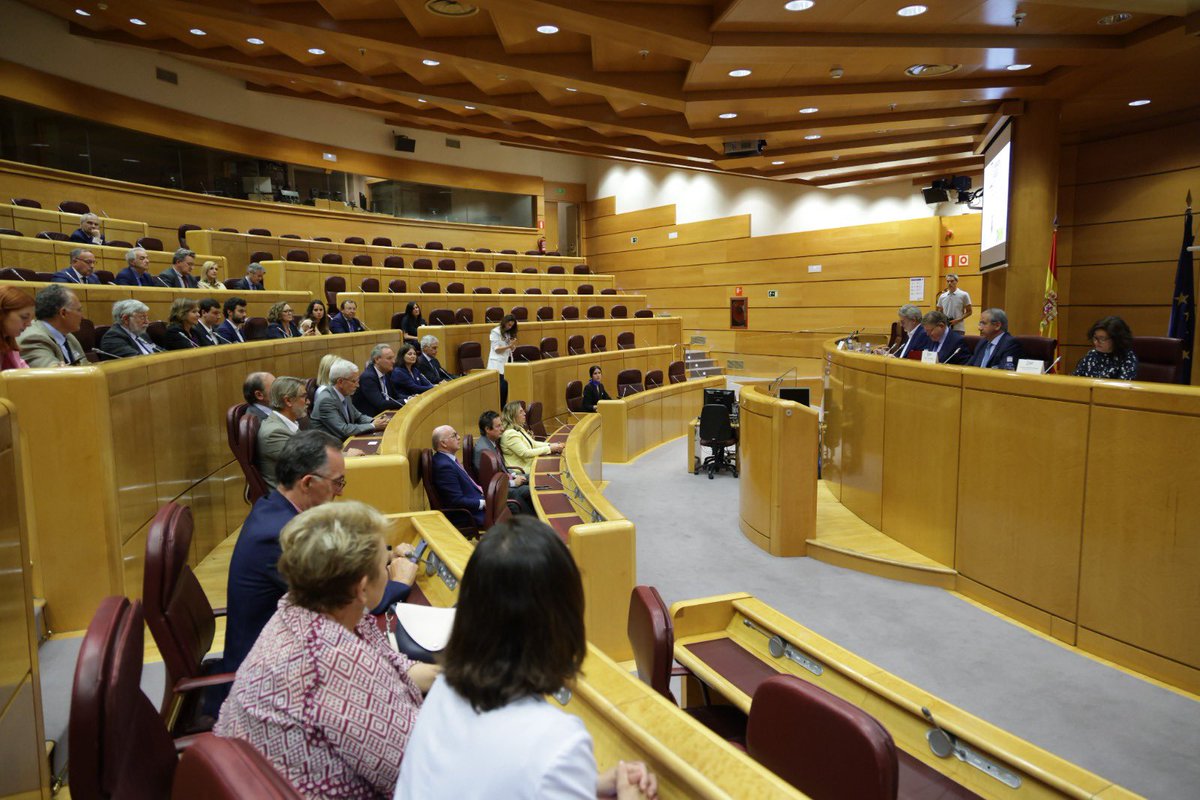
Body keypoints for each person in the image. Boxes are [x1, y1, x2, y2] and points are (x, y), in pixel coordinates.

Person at [394, 516, 659, 800]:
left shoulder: (444, 691)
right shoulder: (559, 743)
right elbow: (534, 768)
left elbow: (493, 780)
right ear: (563, 621)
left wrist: (586, 782)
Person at [218, 500, 432, 798]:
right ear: (361, 588)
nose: (389, 566)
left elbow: (394, 665)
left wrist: (454, 673)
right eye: (385, 563)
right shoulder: (334, 661)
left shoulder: (305, 607)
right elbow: (420, 772)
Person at [224, 431, 418, 676]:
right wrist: (400, 581)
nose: (340, 492)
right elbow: (348, 599)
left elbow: (334, 562)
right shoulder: (279, 535)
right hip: (268, 671)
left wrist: (383, 555)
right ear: (307, 483)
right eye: (337, 482)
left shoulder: (273, 507)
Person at [311, 358, 387, 438]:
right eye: (354, 381)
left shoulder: (345, 394)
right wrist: (373, 425)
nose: (358, 385)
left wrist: (374, 421)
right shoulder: (326, 400)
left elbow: (358, 416)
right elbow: (343, 430)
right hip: (327, 446)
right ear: (340, 382)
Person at [475, 410, 534, 515]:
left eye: (501, 425)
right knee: (531, 489)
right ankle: (531, 521)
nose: (502, 429)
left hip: (505, 478)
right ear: (488, 429)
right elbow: (489, 483)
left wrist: (513, 475)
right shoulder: (483, 451)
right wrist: (513, 482)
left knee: (534, 477)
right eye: (498, 426)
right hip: (499, 490)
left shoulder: (490, 442)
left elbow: (501, 469)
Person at [256, 376, 308, 489]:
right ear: (288, 401)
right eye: (304, 397)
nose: (308, 401)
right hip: (288, 499)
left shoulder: (287, 424)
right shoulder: (274, 432)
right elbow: (308, 463)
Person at [430, 424, 486, 527]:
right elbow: (456, 501)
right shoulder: (444, 466)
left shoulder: (449, 460)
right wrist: (483, 503)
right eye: (454, 435)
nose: (459, 437)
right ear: (443, 443)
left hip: (474, 506)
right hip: (468, 515)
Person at [16, 285, 85, 367]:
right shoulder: (33, 338)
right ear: (63, 313)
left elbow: (87, 367)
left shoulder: (69, 337)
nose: (82, 316)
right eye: (79, 310)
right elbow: (52, 375)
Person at [499, 400, 563, 475]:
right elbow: (525, 453)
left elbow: (533, 444)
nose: (524, 414)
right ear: (513, 416)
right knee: (555, 468)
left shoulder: (518, 428)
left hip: (529, 463)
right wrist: (549, 449)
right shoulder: (509, 434)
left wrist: (552, 445)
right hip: (522, 469)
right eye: (521, 412)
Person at [1073, 316, 1138, 380]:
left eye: (1102, 338)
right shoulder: (1091, 355)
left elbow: (1123, 386)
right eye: (1095, 338)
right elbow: (1075, 379)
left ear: (1116, 339)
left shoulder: (1127, 357)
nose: (1096, 342)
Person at [355, 344, 406, 416]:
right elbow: (381, 404)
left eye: (393, 358)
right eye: (389, 358)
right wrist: (406, 401)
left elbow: (395, 396)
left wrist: (411, 398)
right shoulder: (368, 377)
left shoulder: (386, 373)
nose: (393, 361)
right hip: (372, 419)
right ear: (377, 359)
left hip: (385, 414)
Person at [0, 287, 35, 371]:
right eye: (24, 317)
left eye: (31, 319)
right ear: (1, 314)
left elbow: (24, 372)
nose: (29, 324)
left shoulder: (9, 343)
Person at [488, 313, 518, 405]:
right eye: (509, 325)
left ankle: (504, 407)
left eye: (512, 326)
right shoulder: (495, 332)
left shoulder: (508, 333)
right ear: (504, 323)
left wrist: (512, 346)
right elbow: (497, 350)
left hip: (507, 362)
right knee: (502, 388)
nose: (510, 327)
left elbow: (510, 349)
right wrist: (509, 346)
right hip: (497, 364)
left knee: (506, 388)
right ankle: (501, 407)